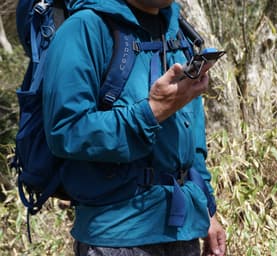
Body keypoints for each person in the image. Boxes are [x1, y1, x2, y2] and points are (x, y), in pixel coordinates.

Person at [42, 0, 226, 255]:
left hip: (183, 230)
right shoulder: (85, 29)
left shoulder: (177, 32)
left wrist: (206, 208)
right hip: (116, 235)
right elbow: (66, 131)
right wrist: (151, 112)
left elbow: (191, 133)